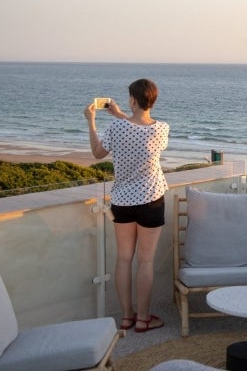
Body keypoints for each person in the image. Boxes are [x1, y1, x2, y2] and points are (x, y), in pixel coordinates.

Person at [84, 78, 169, 333]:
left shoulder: (116, 128)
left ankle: (126, 317)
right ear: (152, 100)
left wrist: (91, 121)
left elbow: (97, 154)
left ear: (133, 99)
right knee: (145, 262)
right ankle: (143, 319)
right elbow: (141, 130)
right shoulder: (161, 129)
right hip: (151, 199)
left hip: (122, 201)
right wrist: (123, 114)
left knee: (123, 259)